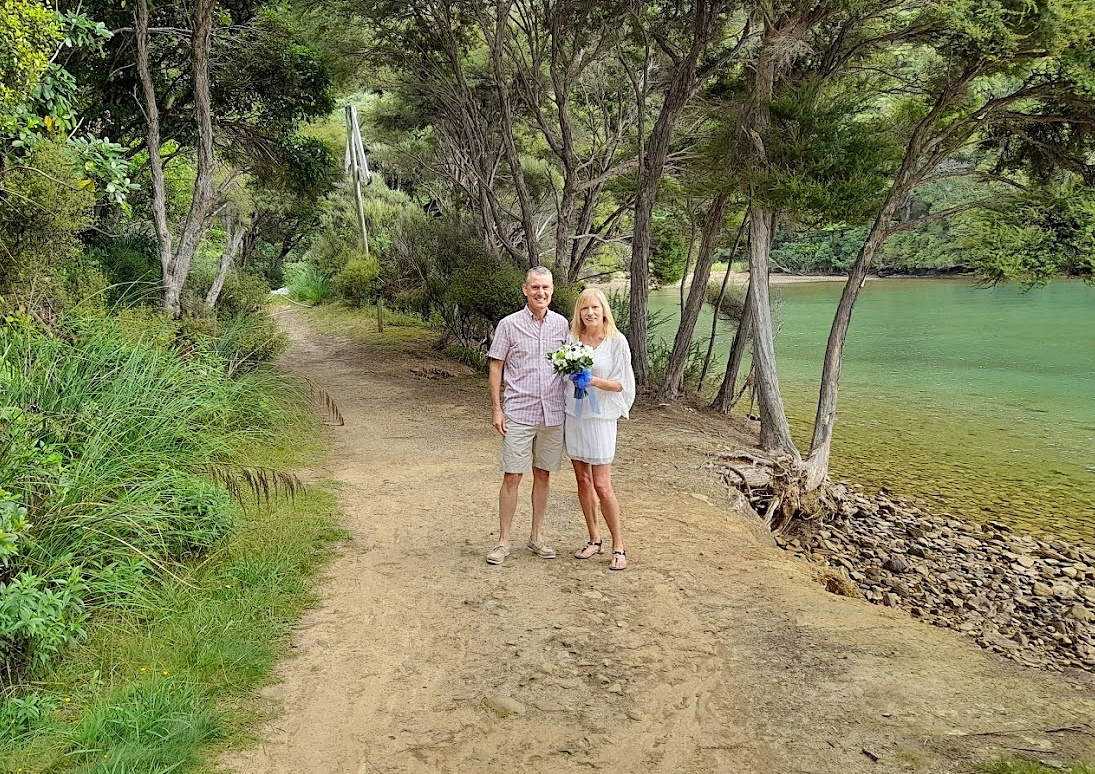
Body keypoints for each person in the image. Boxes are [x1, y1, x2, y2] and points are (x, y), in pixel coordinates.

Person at [485, 266, 570, 565]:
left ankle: (536, 536)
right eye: (535, 287)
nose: (540, 293)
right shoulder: (508, 325)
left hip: (552, 412)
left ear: (552, 290)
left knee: (543, 474)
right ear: (525, 289)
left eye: (545, 288)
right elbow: (496, 366)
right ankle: (503, 541)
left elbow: (570, 366)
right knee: (512, 475)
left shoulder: (562, 325)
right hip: (519, 411)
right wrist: (497, 408)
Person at [564, 288, 636, 571]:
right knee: (582, 479)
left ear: (604, 310)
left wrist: (592, 381)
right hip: (576, 415)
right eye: (584, 309)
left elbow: (622, 383)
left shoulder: (617, 342)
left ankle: (618, 545)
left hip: (601, 417)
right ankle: (594, 539)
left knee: (602, 484)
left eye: (595, 307)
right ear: (578, 313)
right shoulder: (572, 339)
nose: (590, 313)